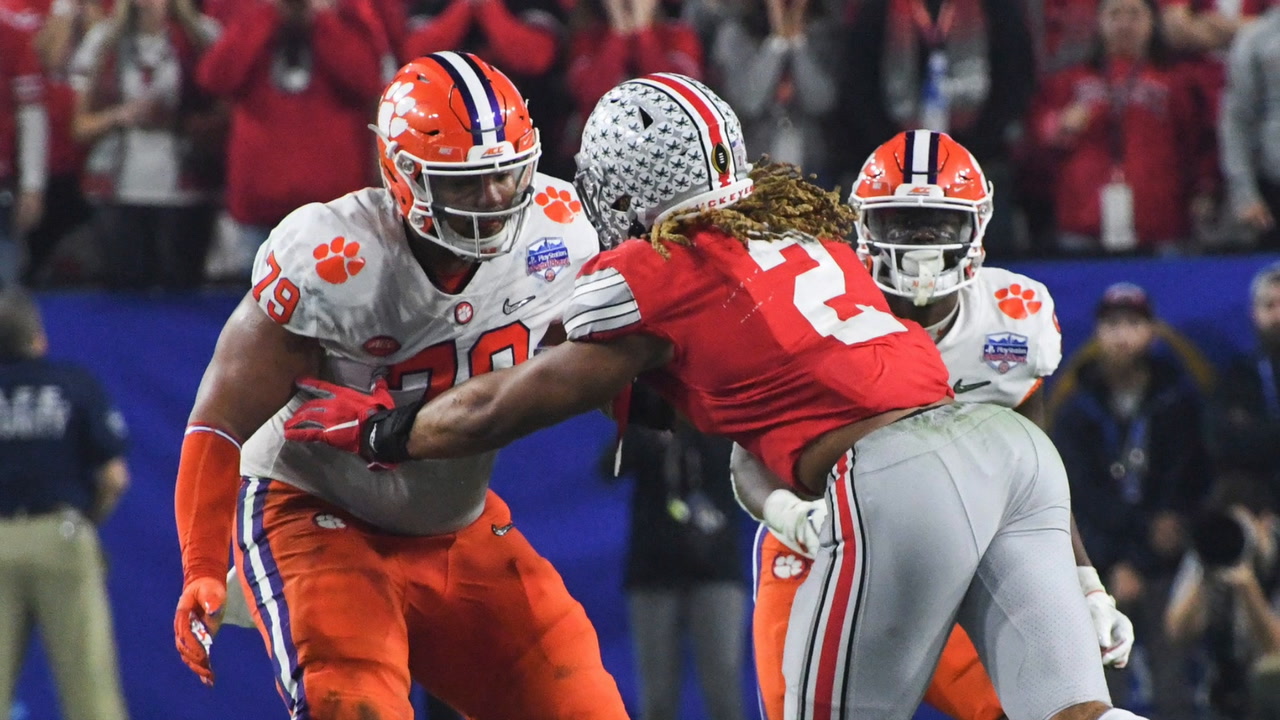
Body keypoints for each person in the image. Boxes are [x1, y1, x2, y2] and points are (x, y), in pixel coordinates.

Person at [284, 72, 1143, 720]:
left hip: (897, 478)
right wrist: (1089, 584)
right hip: (1010, 454)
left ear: (620, 184)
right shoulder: (800, 223)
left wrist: (384, 430)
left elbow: (504, 408)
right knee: (1078, 715)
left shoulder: (656, 272)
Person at [170, 52, 628, 720]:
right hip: (314, 505)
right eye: (469, 182)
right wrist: (203, 563)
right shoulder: (337, 255)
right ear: (403, 174)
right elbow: (219, 417)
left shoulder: (563, 232)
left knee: (578, 701)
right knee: (352, 696)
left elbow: (609, 351)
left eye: (505, 173)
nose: (497, 197)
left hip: (452, 522)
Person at [735, 129, 1135, 720]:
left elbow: (1033, 476)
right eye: (901, 223)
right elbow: (747, 455)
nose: (921, 243)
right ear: (864, 225)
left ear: (978, 225)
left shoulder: (1012, 320)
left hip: (949, 556)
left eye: (939, 224)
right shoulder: (816, 305)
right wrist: (791, 515)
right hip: (822, 549)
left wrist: (1085, 581)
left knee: (1043, 706)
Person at [0, 288, 130, 720]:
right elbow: (113, 477)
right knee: (90, 694)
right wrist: (86, 522)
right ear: (38, 338)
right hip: (61, 534)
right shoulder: (71, 384)